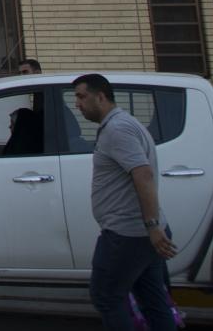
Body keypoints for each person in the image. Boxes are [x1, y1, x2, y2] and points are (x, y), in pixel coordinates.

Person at [74, 73, 177, 331]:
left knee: (106, 296)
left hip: (127, 234)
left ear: (100, 97)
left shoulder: (117, 129)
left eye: (81, 97)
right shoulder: (122, 124)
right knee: (152, 300)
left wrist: (152, 225)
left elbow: (143, 173)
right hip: (140, 234)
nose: (77, 104)